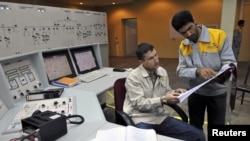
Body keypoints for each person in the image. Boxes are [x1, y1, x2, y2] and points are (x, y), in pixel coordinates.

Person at [123, 42, 206, 141]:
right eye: (151, 58)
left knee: (198, 135)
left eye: (156, 55)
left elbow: (166, 91)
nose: (156, 60)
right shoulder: (133, 77)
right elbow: (139, 104)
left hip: (160, 117)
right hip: (141, 119)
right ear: (141, 62)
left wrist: (175, 92)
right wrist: (163, 99)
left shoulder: (162, 71)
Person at [171, 10, 237, 131]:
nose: (189, 34)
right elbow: (180, 71)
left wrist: (221, 75)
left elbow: (230, 63)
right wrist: (197, 71)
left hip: (217, 93)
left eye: (190, 28)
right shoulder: (184, 45)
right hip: (196, 93)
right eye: (183, 33)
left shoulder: (218, 36)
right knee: (195, 128)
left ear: (195, 21)